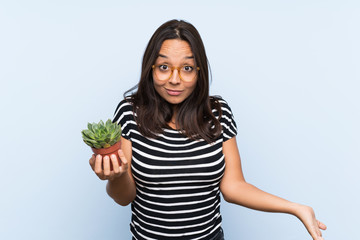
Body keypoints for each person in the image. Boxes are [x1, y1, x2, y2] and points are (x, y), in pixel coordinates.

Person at [89, 19, 327, 240]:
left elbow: (233, 187)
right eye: (164, 67)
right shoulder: (130, 112)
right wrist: (117, 176)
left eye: (187, 68)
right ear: (150, 68)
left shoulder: (217, 112)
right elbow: (124, 197)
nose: (174, 79)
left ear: (199, 71)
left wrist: (295, 208)